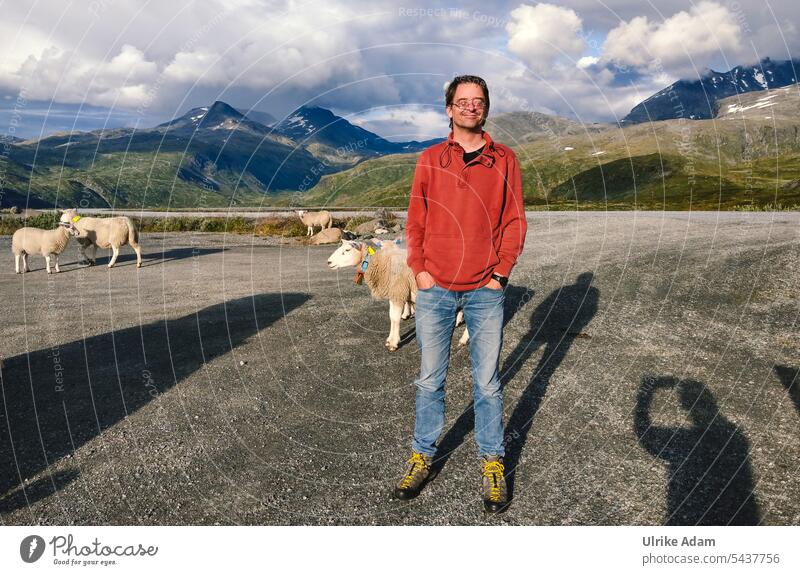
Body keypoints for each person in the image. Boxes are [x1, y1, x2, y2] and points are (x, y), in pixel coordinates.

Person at [394, 75, 527, 513]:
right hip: (435, 288)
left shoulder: (505, 159)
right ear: (448, 108)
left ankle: (492, 461)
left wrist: (500, 274)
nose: (471, 107)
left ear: (486, 108)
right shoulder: (430, 158)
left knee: (487, 384)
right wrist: (420, 270)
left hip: (485, 289)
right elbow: (416, 219)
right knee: (430, 380)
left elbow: (514, 221)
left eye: (479, 101)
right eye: (463, 101)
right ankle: (422, 455)